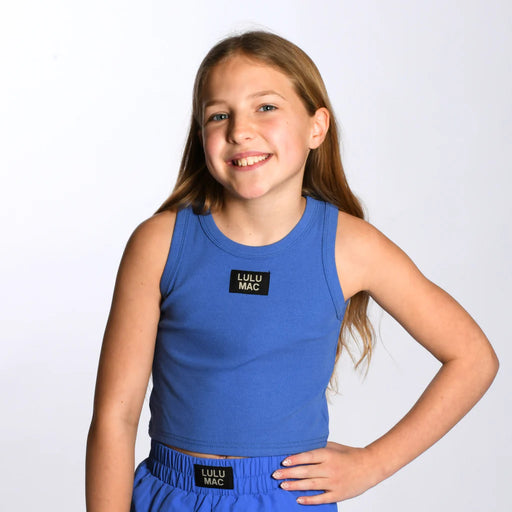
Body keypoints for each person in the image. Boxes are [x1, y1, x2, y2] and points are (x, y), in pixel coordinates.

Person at [85, 30, 499, 511]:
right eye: (219, 115)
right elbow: (114, 419)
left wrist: (373, 464)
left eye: (265, 107)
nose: (240, 130)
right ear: (201, 136)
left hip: (285, 498)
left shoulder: (351, 247)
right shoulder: (158, 243)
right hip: (168, 494)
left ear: (316, 128)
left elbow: (473, 358)